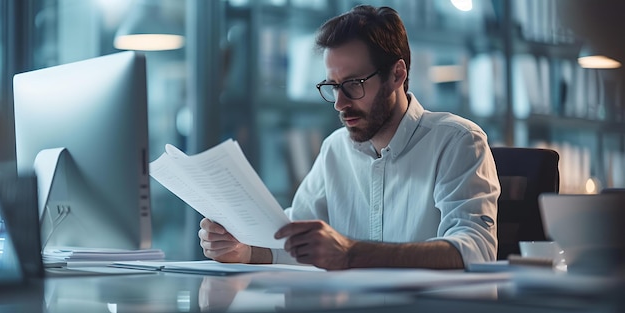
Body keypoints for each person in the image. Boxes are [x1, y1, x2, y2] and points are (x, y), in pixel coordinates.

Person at [198, 4, 500, 270]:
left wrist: (352, 254)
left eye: (353, 84)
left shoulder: (457, 141)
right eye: (332, 86)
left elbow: (475, 250)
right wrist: (244, 249)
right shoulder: (335, 149)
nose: (340, 103)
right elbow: (296, 240)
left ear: (397, 75)